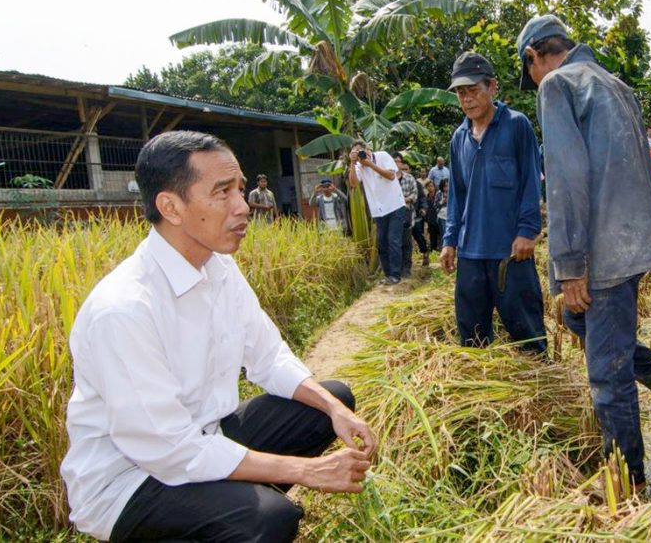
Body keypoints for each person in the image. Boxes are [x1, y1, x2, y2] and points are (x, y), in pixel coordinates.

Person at [60, 131, 377, 543]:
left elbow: (268, 357)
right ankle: (236, 517)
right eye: (222, 192)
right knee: (269, 520)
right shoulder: (123, 309)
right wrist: (305, 471)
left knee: (328, 400)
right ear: (170, 207)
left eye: (240, 189)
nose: (243, 207)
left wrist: (337, 410)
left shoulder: (218, 268)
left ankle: (230, 508)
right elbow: (170, 451)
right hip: (131, 480)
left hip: (204, 436)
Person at [517, 14, 651, 489]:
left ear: (533, 57)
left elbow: (566, 181)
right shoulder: (614, 83)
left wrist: (570, 266)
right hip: (637, 242)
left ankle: (629, 485)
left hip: (603, 250)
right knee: (577, 322)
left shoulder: (558, 85)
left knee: (607, 378)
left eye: (529, 70)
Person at [440, 51, 547, 354]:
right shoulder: (458, 138)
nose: (467, 99)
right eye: (461, 93)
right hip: (471, 254)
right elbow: (457, 195)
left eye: (473, 90)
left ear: (492, 87)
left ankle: (540, 389)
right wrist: (449, 240)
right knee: (472, 338)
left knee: (527, 333)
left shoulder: (516, 125)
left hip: (510, 253)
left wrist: (528, 231)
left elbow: (530, 181)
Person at [348, 139, 405, 285]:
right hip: (378, 210)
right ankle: (388, 275)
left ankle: (396, 275)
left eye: (361, 151)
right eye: (356, 153)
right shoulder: (359, 166)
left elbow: (391, 176)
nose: (360, 155)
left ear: (367, 149)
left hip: (394, 205)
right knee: (382, 242)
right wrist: (352, 163)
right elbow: (353, 183)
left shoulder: (383, 156)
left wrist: (370, 164)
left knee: (393, 240)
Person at [395, 155, 427, 275]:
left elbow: (418, 196)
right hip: (392, 216)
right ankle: (397, 268)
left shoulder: (412, 180)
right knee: (395, 242)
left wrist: (423, 209)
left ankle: (407, 267)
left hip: (411, 214)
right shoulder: (388, 178)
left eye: (398, 161)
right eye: (394, 161)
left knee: (411, 239)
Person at [424, 180, 440, 252]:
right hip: (430, 219)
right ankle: (433, 249)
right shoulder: (426, 198)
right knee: (432, 235)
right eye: (428, 186)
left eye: (431, 186)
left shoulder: (438, 196)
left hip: (438, 217)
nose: (430, 188)